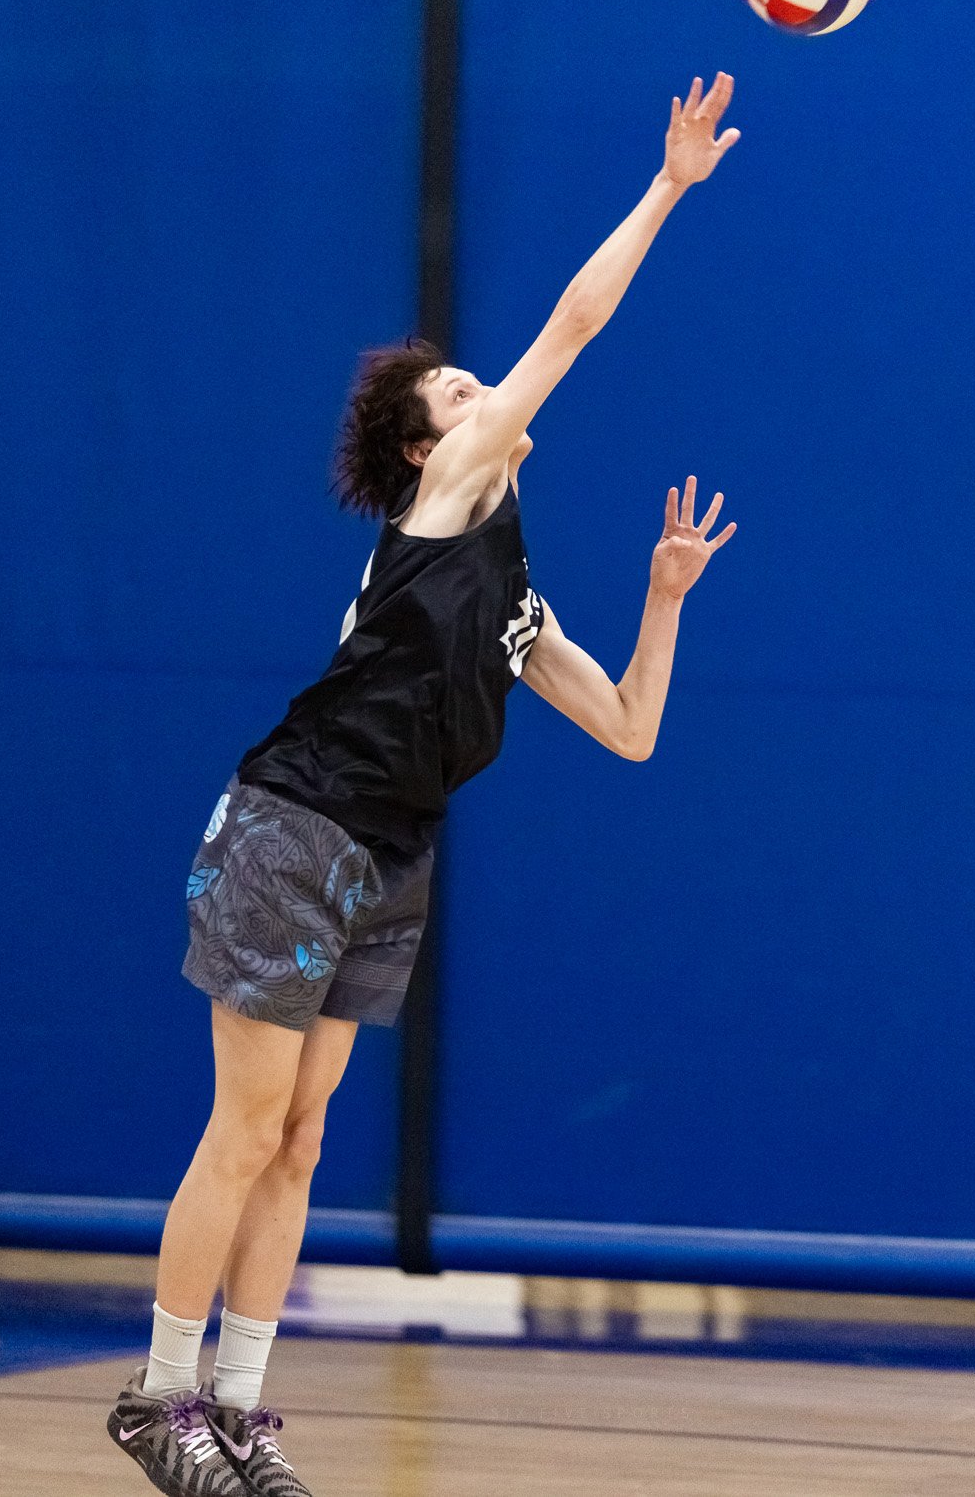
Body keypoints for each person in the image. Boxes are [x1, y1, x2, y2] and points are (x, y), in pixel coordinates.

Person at [109, 75, 744, 1497]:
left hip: (393, 848)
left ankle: (238, 1412)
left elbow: (632, 728)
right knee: (247, 1126)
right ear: (426, 446)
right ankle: (159, 1396)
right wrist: (667, 187)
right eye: (459, 390)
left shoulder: (512, 597)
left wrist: (661, 598)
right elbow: (573, 326)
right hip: (296, 823)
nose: (483, 392)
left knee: (305, 1136)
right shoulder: (440, 502)